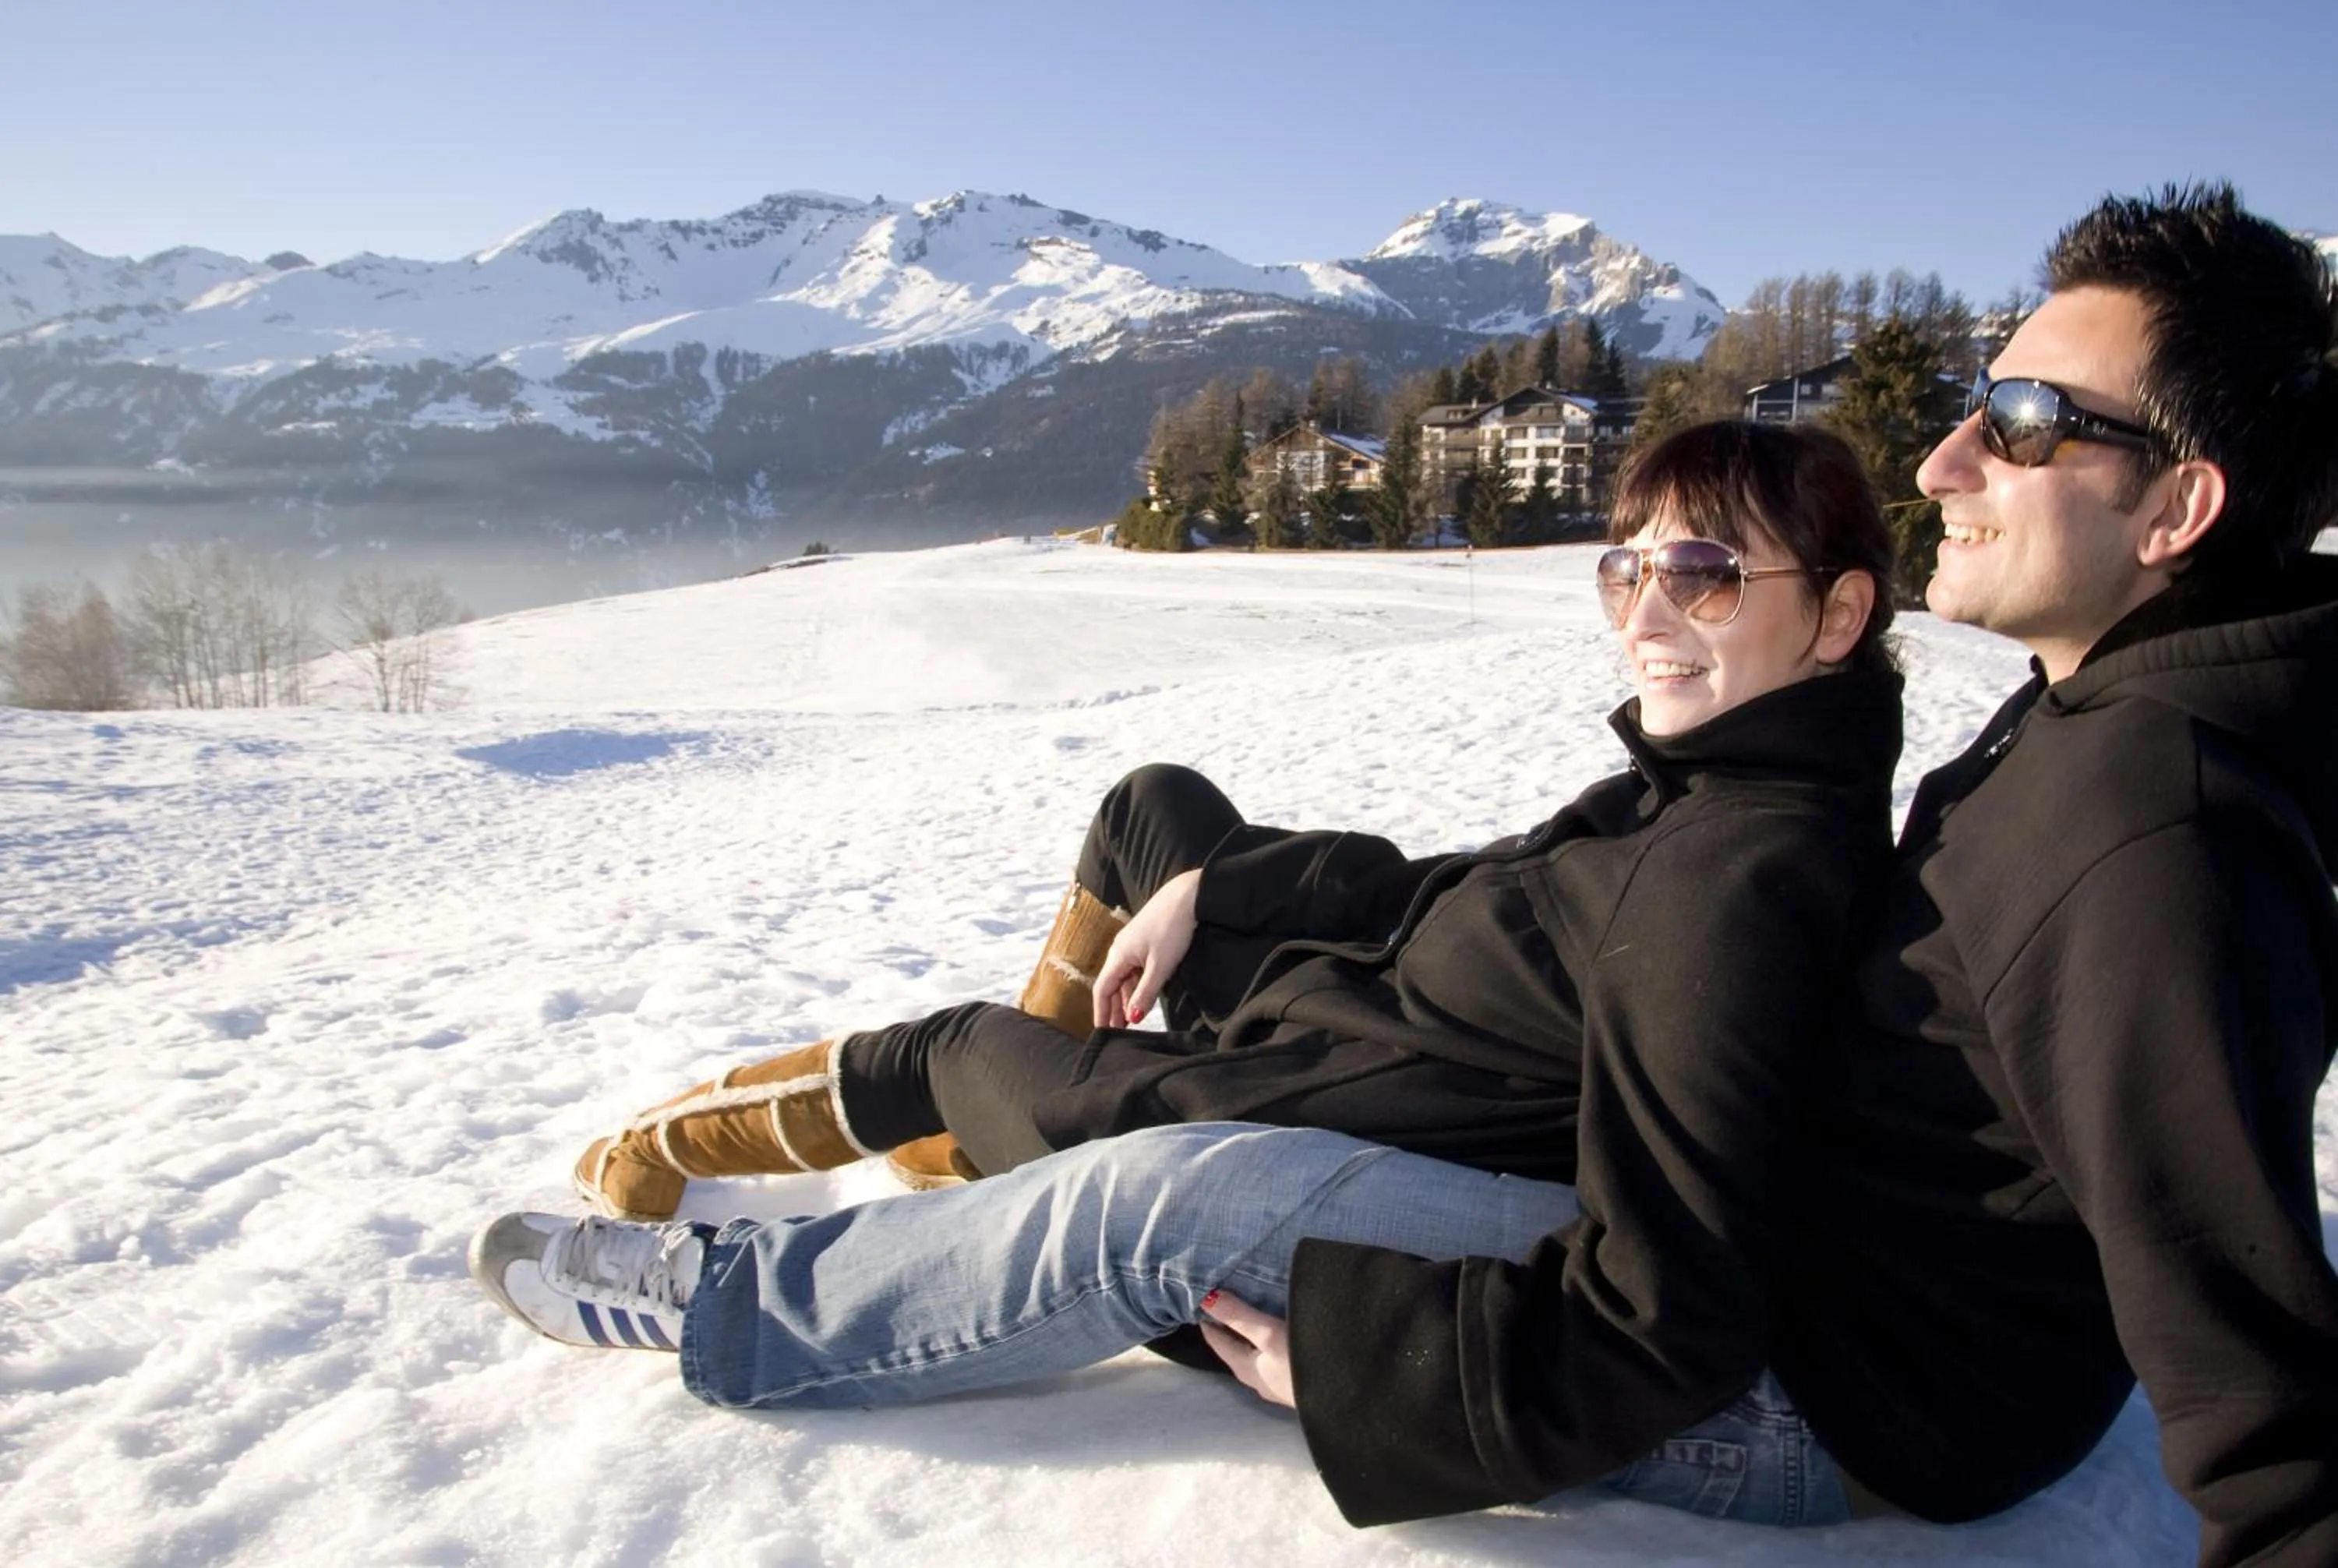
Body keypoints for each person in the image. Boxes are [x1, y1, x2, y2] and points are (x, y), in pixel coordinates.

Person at [479, 182, 2338, 1566]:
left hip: (1801, 1396)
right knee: (1219, 1119)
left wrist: (1394, 1375)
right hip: (1773, 1286)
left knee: (1176, 1201)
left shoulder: (2151, 833)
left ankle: (734, 1311)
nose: (1945, 451)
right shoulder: (2094, 723)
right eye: (1975, 401)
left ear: (2179, 510)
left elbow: (2259, 1379)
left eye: (2022, 423)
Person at [476, 417, 1909, 1525]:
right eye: (1631, 567)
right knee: (1153, 811)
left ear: (1836, 619)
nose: (1649, 614)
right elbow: (1444, 890)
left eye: (1706, 577)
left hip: (1315, 1101)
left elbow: (1670, 1293)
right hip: (1355, 1004)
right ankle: (990, 1150)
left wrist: (1367, 1376)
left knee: (949, 1050)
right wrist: (1217, 887)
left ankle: (715, 1276)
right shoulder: (1693, 789)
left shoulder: (1730, 887)